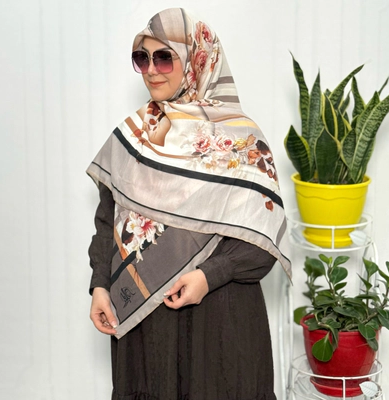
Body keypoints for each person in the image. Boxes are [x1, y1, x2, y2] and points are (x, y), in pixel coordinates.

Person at [87, 7, 291, 400]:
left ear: (198, 60)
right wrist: (99, 285)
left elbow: (263, 246)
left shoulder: (242, 142)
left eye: (164, 57)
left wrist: (208, 276)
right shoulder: (132, 139)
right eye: (142, 58)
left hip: (218, 321)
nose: (151, 70)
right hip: (147, 328)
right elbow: (106, 219)